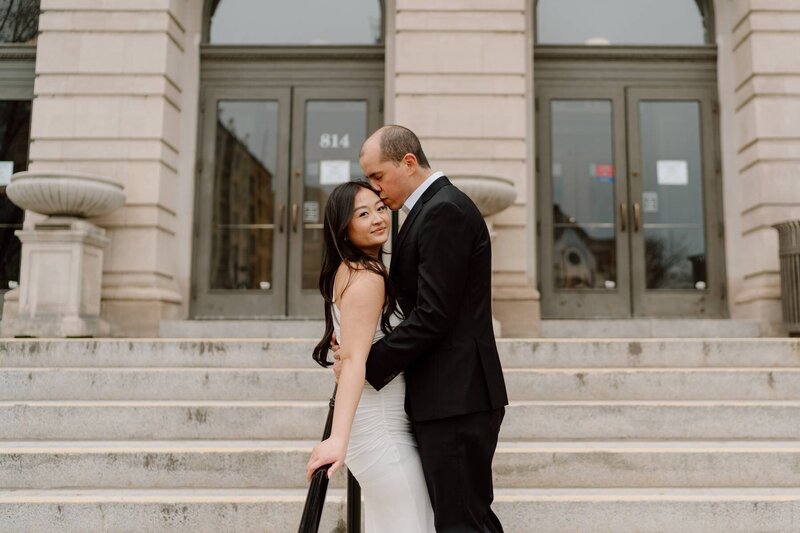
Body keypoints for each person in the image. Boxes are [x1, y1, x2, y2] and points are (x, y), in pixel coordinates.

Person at [340, 125, 509, 531]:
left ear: (409, 162)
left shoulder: (443, 210)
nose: (375, 189)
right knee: (462, 519)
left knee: (462, 523)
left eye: (378, 176)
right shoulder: (427, 210)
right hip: (447, 396)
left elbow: (434, 314)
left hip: (456, 397)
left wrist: (364, 363)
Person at [305, 181, 435, 532]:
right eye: (362, 214)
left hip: (382, 426)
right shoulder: (366, 278)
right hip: (381, 432)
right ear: (343, 229)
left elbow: (351, 353)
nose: (378, 218)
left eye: (379, 208)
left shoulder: (353, 270)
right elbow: (354, 362)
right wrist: (337, 440)